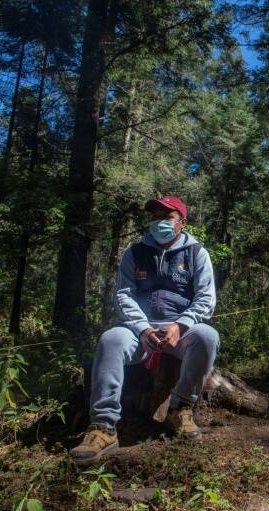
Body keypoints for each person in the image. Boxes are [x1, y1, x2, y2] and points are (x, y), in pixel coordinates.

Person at [71, 195, 219, 465]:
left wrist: (181, 324)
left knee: (208, 336)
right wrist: (141, 328)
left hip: (181, 329)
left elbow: (206, 298)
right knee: (111, 339)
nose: (159, 222)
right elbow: (124, 295)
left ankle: (180, 408)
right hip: (139, 330)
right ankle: (103, 427)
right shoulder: (135, 252)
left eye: (167, 217)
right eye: (155, 216)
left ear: (182, 223)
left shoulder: (197, 252)